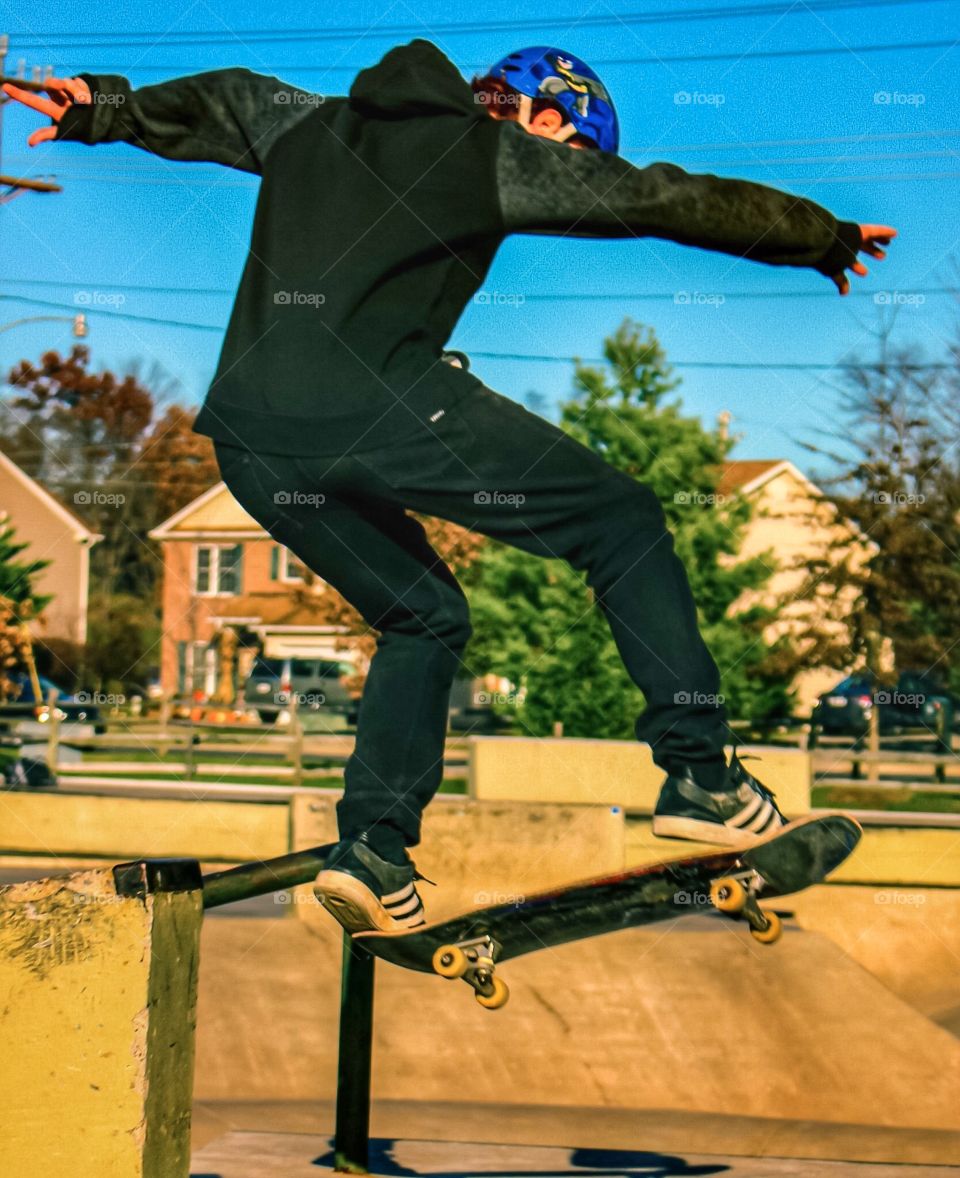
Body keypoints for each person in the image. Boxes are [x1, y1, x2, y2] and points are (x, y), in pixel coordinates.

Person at [5, 42, 896, 933]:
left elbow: (230, 97)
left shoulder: (311, 119)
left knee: (423, 613)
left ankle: (374, 852)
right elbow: (669, 199)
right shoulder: (494, 152)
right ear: (546, 116)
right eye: (575, 153)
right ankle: (700, 772)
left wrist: (104, 107)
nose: (568, 172)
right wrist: (823, 236)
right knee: (622, 519)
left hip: (253, 444)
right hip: (380, 411)